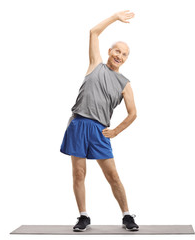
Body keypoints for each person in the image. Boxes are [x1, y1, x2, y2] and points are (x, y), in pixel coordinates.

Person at [60, 10, 138, 232]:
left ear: (125, 59)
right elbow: (93, 32)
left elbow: (133, 113)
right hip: (77, 124)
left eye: (124, 54)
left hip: (99, 130)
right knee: (78, 173)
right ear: (109, 51)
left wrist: (115, 132)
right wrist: (115, 17)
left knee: (112, 175)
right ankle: (83, 216)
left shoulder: (125, 83)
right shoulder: (96, 64)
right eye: (117, 51)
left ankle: (126, 215)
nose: (119, 56)